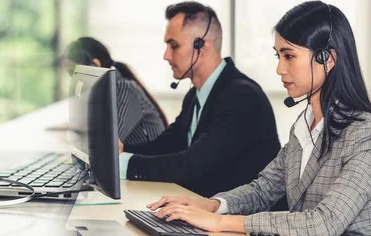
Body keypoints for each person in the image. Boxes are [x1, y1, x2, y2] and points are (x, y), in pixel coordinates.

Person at [147, 1, 371, 236]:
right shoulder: (304, 127)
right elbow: (263, 190)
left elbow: (324, 225)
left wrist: (222, 223)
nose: (279, 69)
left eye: (290, 56)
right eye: (278, 56)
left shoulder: (369, 133)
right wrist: (213, 205)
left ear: (326, 59)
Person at [118, 1, 281, 199]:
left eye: (174, 46)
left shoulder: (241, 97)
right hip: (207, 212)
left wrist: (123, 163)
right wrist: (121, 150)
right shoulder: (196, 94)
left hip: (242, 223)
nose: (166, 55)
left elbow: (192, 166)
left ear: (201, 48)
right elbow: (167, 145)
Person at [63, 37, 167, 144]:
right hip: (130, 158)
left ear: (95, 65)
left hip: (146, 159)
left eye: (74, 72)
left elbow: (109, 143)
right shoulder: (104, 92)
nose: (74, 79)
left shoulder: (124, 88)